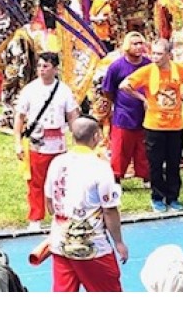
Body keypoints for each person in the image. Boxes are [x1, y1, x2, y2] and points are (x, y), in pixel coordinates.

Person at [44, 116, 128, 292]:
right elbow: (110, 210)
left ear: (72, 136)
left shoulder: (56, 163)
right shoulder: (101, 167)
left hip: (60, 243)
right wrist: (119, 242)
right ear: (96, 136)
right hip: (93, 246)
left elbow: (49, 202)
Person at [120, 39, 183, 212]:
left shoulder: (178, 70)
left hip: (175, 125)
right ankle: (157, 197)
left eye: (159, 54)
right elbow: (124, 85)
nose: (155, 57)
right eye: (153, 53)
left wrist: (182, 97)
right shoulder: (147, 71)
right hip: (154, 126)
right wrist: (143, 99)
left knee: (173, 164)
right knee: (155, 164)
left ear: (169, 55)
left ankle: (173, 197)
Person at [13, 52, 80, 230]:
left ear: (55, 69)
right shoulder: (30, 90)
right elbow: (19, 117)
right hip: (37, 141)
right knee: (35, 182)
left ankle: (61, 214)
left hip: (58, 142)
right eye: (40, 66)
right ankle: (35, 218)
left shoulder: (64, 91)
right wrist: (18, 142)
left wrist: (77, 139)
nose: (42, 70)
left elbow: (72, 116)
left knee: (60, 181)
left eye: (46, 66)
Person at [101, 32, 151, 186]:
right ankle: (116, 178)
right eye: (134, 43)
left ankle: (146, 177)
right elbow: (107, 90)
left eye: (140, 43)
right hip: (124, 114)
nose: (138, 47)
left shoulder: (148, 65)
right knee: (121, 147)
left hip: (146, 113)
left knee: (144, 147)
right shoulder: (116, 67)